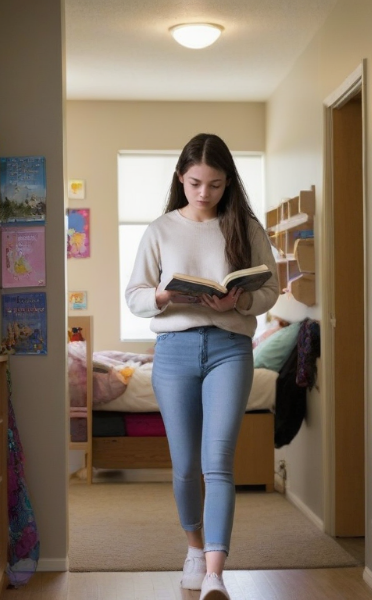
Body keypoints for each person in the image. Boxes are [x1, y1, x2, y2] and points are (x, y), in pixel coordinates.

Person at [125, 133, 279, 600]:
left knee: (218, 463)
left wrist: (243, 298)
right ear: (181, 178)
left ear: (228, 182)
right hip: (174, 350)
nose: (204, 193)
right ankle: (193, 546)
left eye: (214, 184)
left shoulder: (246, 227)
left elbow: (272, 291)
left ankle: (214, 572)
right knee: (186, 465)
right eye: (195, 183)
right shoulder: (161, 229)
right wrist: (163, 295)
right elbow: (134, 296)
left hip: (231, 348)